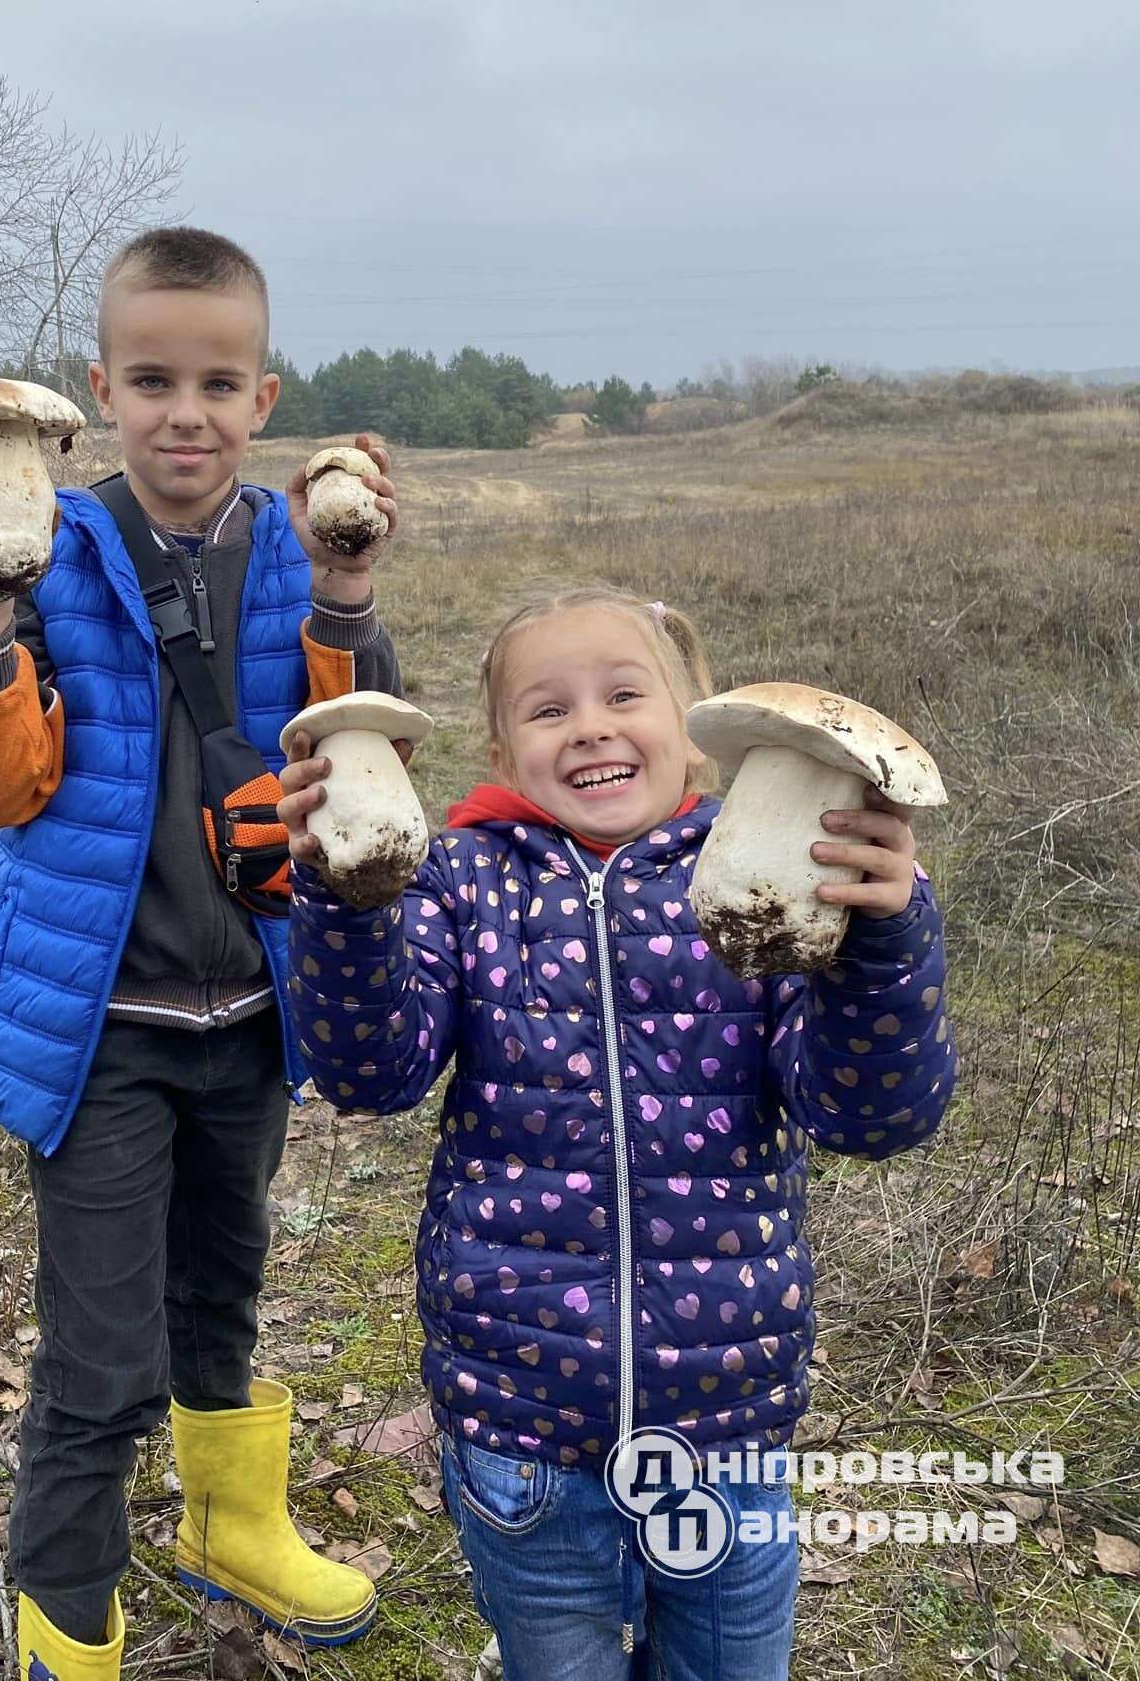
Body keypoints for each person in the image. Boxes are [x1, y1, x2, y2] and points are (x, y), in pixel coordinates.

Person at [278, 585, 957, 1681]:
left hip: (726, 1418)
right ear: (502, 748)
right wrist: (347, 901)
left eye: (625, 693)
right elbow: (374, 1071)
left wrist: (883, 943)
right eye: (548, 709)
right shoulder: (464, 879)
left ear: (698, 724)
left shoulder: (769, 883)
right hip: (519, 1416)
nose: (590, 724)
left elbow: (868, 1115)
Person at [0, 227, 402, 1681]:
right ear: (97, 393)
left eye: (217, 382)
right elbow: (3, 790)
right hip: (104, 1026)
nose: (183, 412)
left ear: (265, 400)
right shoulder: (53, 549)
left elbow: (357, 757)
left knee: (223, 1283)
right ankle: (66, 1622)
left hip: (252, 1014)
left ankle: (229, 1526)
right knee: (99, 1354)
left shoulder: (287, 548)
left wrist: (346, 594)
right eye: (151, 380)